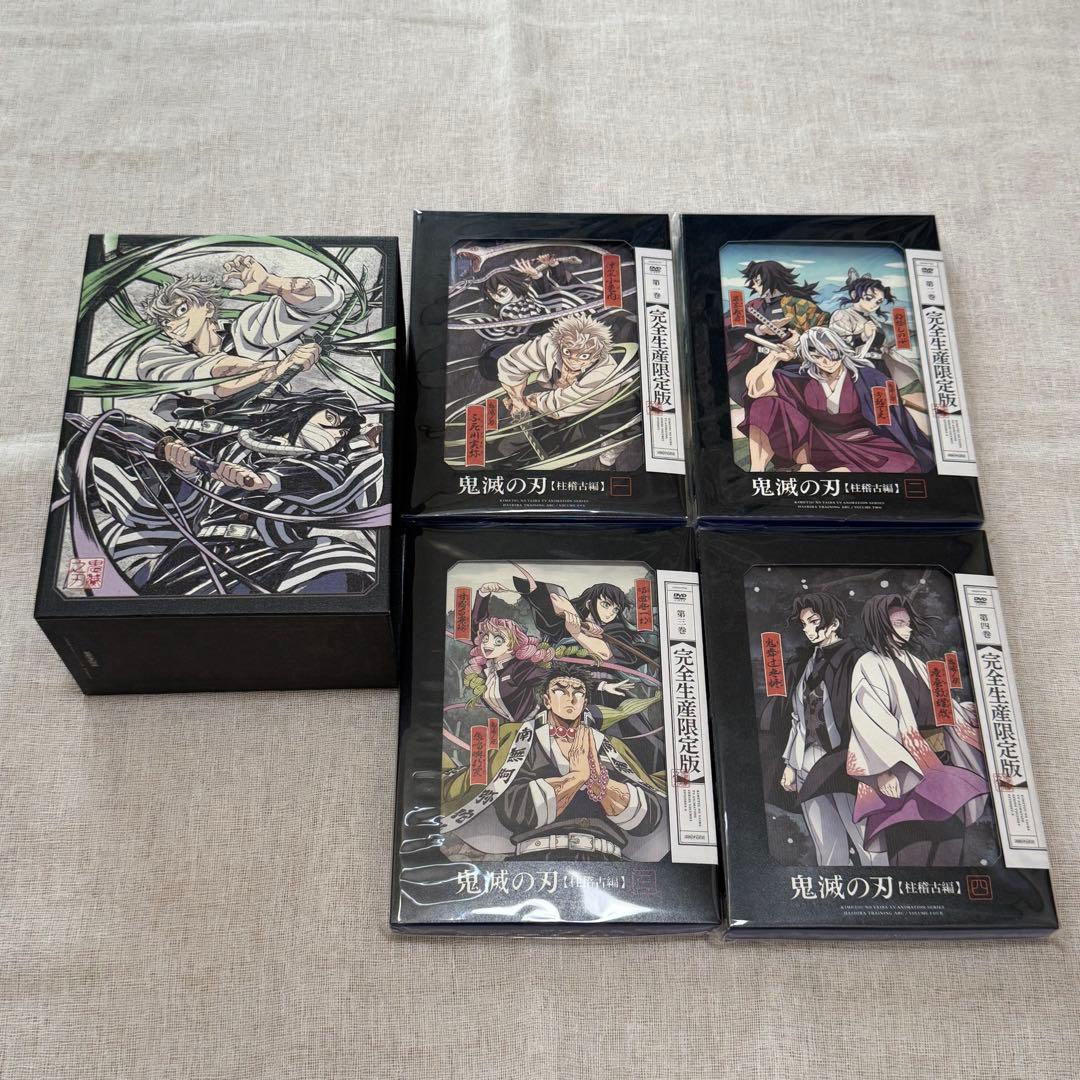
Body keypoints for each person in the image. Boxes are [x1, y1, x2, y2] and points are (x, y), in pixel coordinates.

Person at [63, 388, 384, 596]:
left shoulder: (328, 465)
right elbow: (190, 506)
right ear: (304, 410)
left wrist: (263, 481)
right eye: (331, 417)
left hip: (268, 556)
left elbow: (323, 484)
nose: (334, 431)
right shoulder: (236, 445)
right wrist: (184, 467)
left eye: (343, 429)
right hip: (195, 552)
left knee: (344, 564)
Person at [442, 667, 666, 862]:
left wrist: (601, 785)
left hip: (607, 860)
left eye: (578, 692)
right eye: (561, 690)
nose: (571, 697)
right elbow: (515, 810)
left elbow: (648, 816)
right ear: (546, 699)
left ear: (585, 702)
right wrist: (576, 777)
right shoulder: (523, 739)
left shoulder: (606, 746)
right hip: (538, 858)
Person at [847, 594, 989, 866]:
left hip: (940, 763)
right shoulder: (869, 663)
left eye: (908, 623)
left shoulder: (920, 665)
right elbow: (868, 718)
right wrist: (885, 769)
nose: (908, 629)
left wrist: (974, 713)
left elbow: (947, 710)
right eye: (899, 623)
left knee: (950, 846)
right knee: (911, 850)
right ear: (880, 624)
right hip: (903, 770)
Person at [136, 253, 345, 421]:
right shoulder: (156, 358)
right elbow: (215, 376)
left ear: (208, 308)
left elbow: (326, 300)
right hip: (201, 444)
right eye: (164, 321)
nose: (172, 324)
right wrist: (278, 368)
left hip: (269, 426)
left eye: (181, 310)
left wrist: (273, 283)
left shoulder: (247, 330)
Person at [775, 592, 886, 866]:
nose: (808, 629)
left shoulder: (859, 660)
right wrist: (790, 764)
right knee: (827, 849)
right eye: (804, 624)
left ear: (833, 623)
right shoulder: (807, 663)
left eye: (814, 621)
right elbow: (798, 717)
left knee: (868, 844)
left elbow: (875, 715)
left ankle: (882, 889)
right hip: (808, 762)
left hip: (847, 762)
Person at [741, 325, 933, 473]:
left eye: (832, 353)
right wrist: (774, 357)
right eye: (817, 356)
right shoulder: (802, 377)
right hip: (819, 444)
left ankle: (826, 470)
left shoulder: (869, 377)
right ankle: (757, 471)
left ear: (841, 350)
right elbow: (755, 390)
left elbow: (891, 420)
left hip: (866, 444)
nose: (827, 361)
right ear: (808, 356)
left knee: (905, 464)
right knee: (764, 404)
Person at [494, 312, 641, 469]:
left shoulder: (603, 375)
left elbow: (560, 405)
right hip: (563, 402)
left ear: (597, 354)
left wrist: (526, 402)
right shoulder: (551, 343)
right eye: (567, 352)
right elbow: (511, 364)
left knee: (613, 437)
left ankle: (605, 461)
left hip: (613, 407)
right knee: (549, 441)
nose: (573, 361)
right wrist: (516, 399)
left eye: (584, 356)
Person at [725, 258, 827, 405]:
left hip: (790, 362)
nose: (753, 285)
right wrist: (760, 329)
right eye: (753, 281)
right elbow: (730, 324)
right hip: (756, 360)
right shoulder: (753, 305)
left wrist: (800, 341)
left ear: (772, 280)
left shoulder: (799, 305)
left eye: (758, 281)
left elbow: (824, 333)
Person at [460, 581, 554, 725]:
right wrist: (484, 592)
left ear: (511, 646)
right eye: (486, 638)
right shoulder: (488, 664)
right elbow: (478, 625)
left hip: (534, 722)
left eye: (498, 640)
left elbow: (551, 676)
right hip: (512, 725)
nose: (487, 644)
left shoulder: (519, 668)